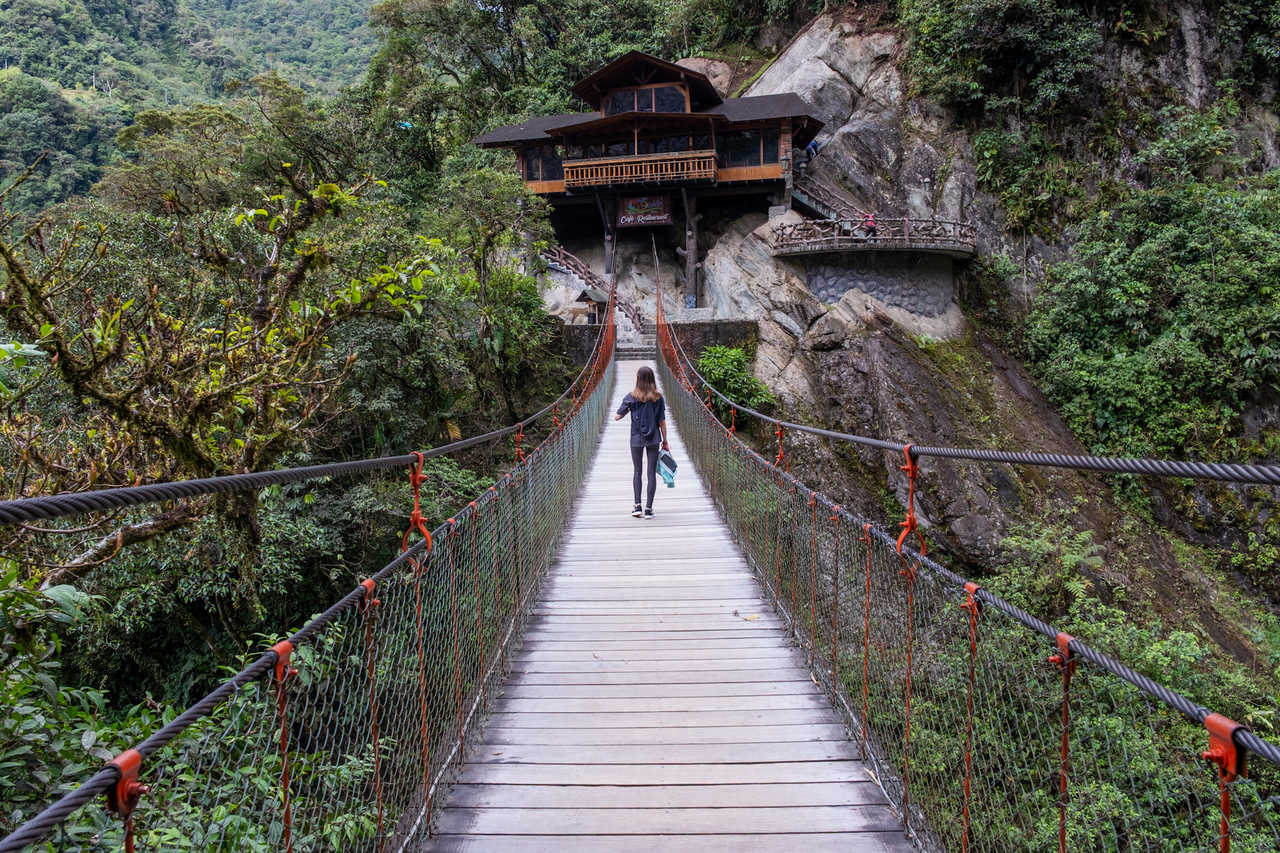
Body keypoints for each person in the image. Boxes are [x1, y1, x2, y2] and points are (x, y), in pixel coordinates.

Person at [614, 366, 669, 519]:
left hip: (636, 438)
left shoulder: (631, 397)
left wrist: (628, 409)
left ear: (637, 379)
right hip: (654, 438)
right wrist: (665, 441)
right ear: (652, 379)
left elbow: (617, 417)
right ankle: (649, 509)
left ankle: (637, 506)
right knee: (651, 472)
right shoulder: (658, 398)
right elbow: (662, 422)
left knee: (637, 471)